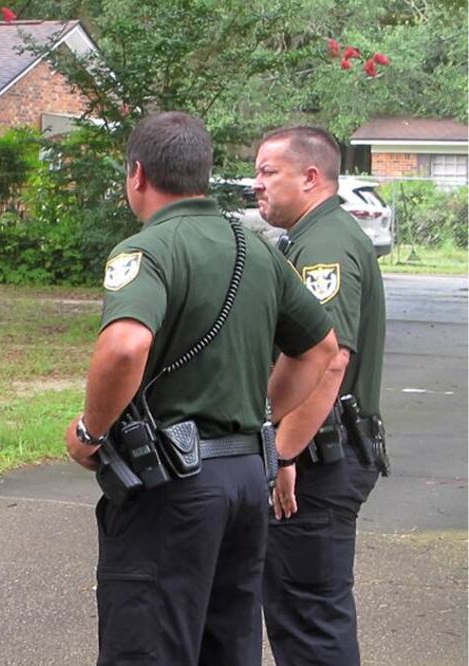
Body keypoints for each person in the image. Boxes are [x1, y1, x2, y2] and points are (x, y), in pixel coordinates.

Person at [64, 112, 338, 665]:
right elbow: (320, 349)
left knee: (148, 647)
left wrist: (91, 432)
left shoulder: (149, 249)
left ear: (137, 174)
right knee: (228, 645)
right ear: (203, 173)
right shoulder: (258, 249)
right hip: (245, 479)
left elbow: (125, 346)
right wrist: (262, 412)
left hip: (172, 486)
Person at [254, 126, 388, 665]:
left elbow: (329, 359)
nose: (257, 183)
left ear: (311, 177)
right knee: (302, 614)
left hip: (317, 461)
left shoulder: (325, 245)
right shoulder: (314, 236)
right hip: (321, 453)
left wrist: (283, 451)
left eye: (269, 172)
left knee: (309, 620)